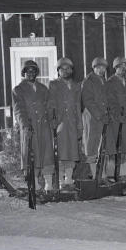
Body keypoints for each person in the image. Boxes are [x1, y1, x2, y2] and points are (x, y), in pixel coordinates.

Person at [12, 60, 54, 191]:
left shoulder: (43, 88)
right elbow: (19, 110)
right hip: (30, 127)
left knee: (47, 154)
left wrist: (52, 121)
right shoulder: (18, 90)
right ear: (24, 73)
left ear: (37, 73)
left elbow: (50, 106)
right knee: (32, 154)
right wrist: (25, 125)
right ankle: (34, 183)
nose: (31, 73)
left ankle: (49, 183)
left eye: (33, 71)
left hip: (44, 126)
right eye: (28, 71)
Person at [47, 58, 82, 189]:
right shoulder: (54, 84)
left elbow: (78, 105)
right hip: (60, 123)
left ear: (72, 70)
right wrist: (54, 121)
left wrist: (80, 125)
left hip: (72, 122)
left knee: (72, 151)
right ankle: (61, 181)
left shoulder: (76, 85)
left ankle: (69, 180)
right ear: (58, 71)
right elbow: (50, 104)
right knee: (61, 152)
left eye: (68, 69)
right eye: (62, 69)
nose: (66, 71)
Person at [105, 56, 126, 180]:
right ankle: (115, 174)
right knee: (118, 146)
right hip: (117, 120)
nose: (123, 69)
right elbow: (110, 101)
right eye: (120, 67)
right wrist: (117, 114)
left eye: (125, 67)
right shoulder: (110, 82)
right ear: (115, 68)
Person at [82, 57, 109, 181]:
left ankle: (103, 175)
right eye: (99, 67)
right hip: (92, 119)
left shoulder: (103, 80)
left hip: (103, 119)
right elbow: (88, 101)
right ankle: (95, 175)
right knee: (92, 146)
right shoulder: (88, 81)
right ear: (94, 68)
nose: (101, 69)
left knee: (102, 146)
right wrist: (100, 115)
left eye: (103, 67)